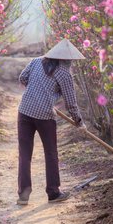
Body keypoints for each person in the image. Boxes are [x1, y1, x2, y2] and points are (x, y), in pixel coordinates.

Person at [16, 38, 86, 205]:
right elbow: (70, 102)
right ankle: (53, 193)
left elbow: (22, 78)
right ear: (66, 59)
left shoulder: (36, 61)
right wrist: (79, 122)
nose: (71, 63)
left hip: (24, 110)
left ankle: (23, 195)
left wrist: (37, 93)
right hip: (44, 116)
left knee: (24, 154)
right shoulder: (64, 73)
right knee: (51, 154)